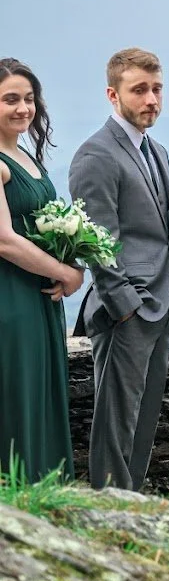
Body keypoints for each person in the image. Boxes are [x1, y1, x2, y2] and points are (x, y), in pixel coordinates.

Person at [69, 48, 169, 491]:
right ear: (113, 94)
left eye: (157, 89)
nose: (152, 99)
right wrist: (126, 305)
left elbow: (162, 235)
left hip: (163, 303)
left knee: (145, 418)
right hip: (125, 310)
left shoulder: (157, 150)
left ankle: (134, 507)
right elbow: (97, 243)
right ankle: (110, 512)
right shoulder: (95, 155)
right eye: (140, 90)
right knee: (116, 423)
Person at [0, 58, 81, 482]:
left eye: (29, 99)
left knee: (42, 393)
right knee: (18, 396)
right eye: (10, 99)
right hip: (9, 299)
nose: (23, 108)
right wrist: (66, 273)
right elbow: (4, 239)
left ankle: (47, 494)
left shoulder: (24, 155)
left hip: (38, 298)